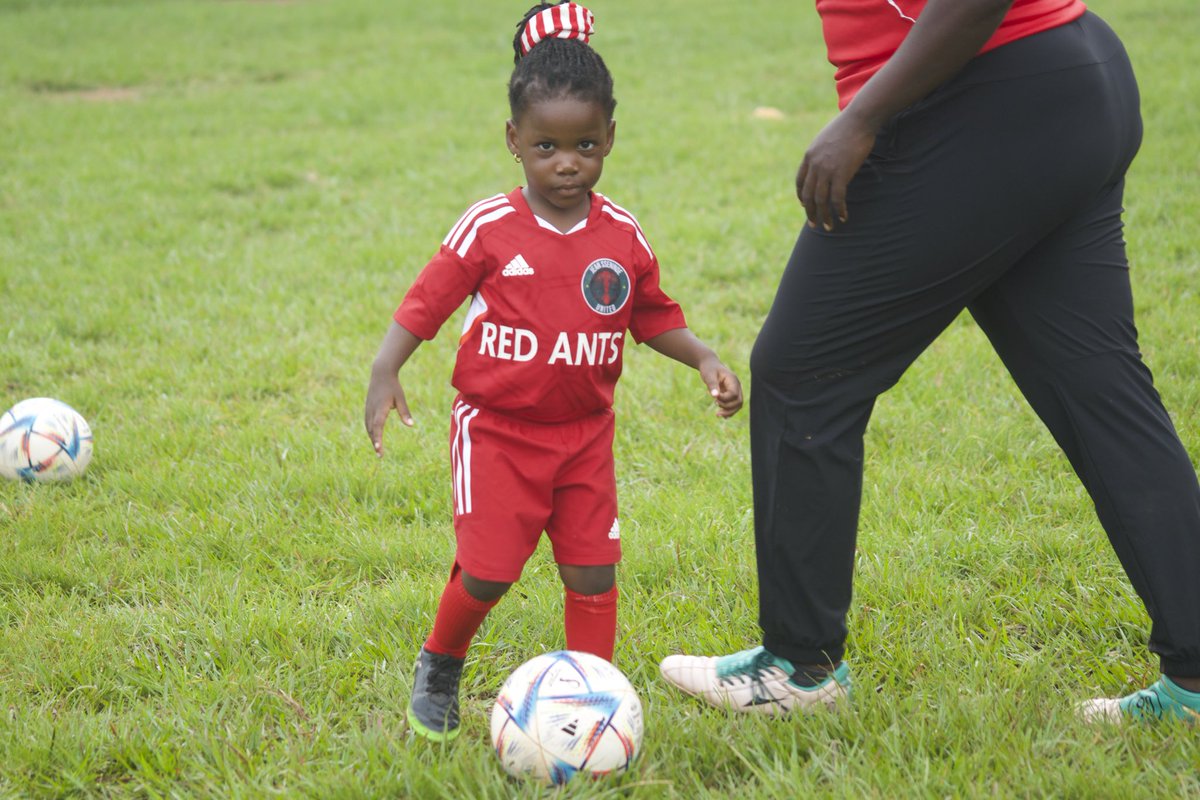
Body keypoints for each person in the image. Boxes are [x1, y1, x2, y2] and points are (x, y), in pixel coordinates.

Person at [660, 0, 1200, 723]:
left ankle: (800, 668)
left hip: (979, 100)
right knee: (1101, 391)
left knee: (803, 372)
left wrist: (861, 118)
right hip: (1066, 77)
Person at [364, 1, 743, 741]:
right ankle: (440, 661)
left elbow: (651, 314)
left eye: (585, 145)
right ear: (514, 141)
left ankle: (591, 705)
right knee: (488, 573)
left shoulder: (621, 234)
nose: (567, 162)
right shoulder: (489, 227)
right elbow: (427, 300)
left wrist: (704, 356)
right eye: (546, 146)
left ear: (610, 138)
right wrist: (386, 366)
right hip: (498, 433)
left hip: (584, 435)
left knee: (593, 573)